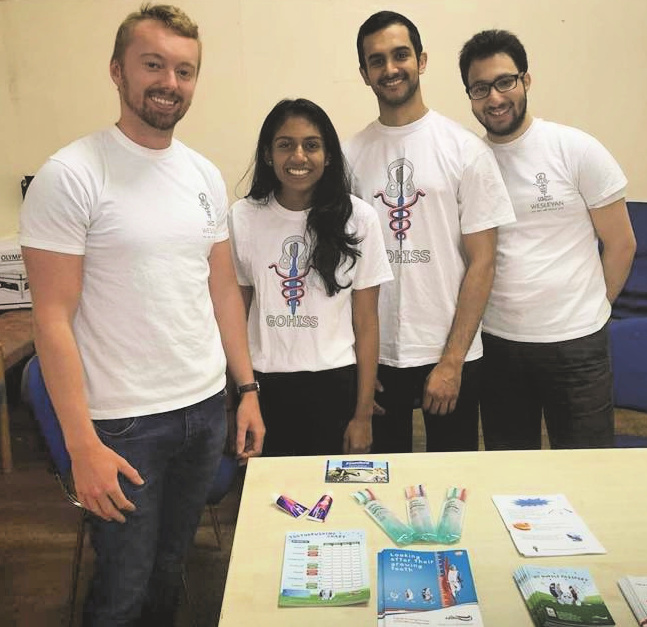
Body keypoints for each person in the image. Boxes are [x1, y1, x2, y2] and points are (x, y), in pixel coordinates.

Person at [20, 4, 265, 625]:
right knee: (122, 588)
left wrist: (247, 390)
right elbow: (50, 318)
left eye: (185, 70)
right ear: (117, 71)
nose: (170, 83)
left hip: (205, 409)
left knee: (170, 570)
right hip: (123, 427)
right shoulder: (72, 174)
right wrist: (81, 445)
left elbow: (223, 295)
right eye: (153, 64)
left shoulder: (204, 174)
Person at [344, 11, 515, 453]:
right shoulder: (349, 155)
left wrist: (452, 361)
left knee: (453, 486)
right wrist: (359, 362)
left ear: (421, 60)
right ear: (364, 74)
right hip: (377, 358)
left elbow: (483, 261)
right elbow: (342, 265)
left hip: (448, 353)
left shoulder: (466, 150)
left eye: (400, 55)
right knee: (382, 482)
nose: (390, 68)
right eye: (376, 60)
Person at [458, 29, 636, 449]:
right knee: (513, 475)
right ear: (470, 95)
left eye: (505, 81)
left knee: (587, 473)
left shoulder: (575, 149)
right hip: (499, 346)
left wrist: (591, 306)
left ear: (526, 81)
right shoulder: (467, 160)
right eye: (481, 88)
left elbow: (622, 243)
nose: (495, 98)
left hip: (577, 348)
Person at [229, 98, 392, 456]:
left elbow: (366, 323)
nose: (298, 156)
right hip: (263, 386)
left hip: (334, 385)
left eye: (312, 145)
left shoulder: (359, 218)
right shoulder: (242, 218)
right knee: (268, 500)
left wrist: (362, 414)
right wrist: (240, 392)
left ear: (329, 155)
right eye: (285, 145)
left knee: (329, 501)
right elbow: (235, 315)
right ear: (269, 155)